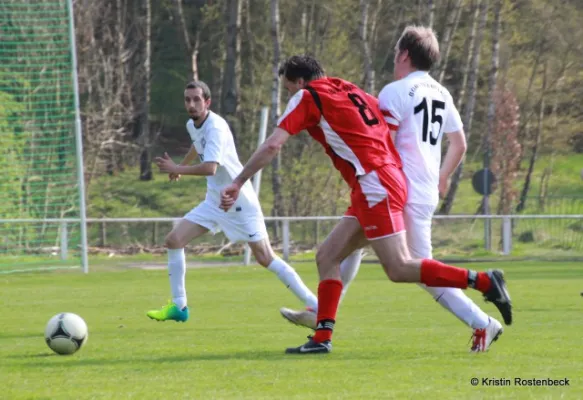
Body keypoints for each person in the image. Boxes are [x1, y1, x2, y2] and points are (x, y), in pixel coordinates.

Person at [219, 55, 512, 355]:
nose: (289, 96)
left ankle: (484, 281)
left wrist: (238, 181)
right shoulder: (351, 89)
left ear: (300, 82)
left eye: (289, 89)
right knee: (327, 256)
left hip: (375, 183)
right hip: (378, 180)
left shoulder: (308, 95)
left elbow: (272, 145)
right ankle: (322, 337)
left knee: (399, 267)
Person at [146, 80, 317, 322]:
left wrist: (176, 167)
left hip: (237, 201)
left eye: (197, 100)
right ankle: (179, 307)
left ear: (208, 102)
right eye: (187, 100)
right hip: (215, 201)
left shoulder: (216, 126)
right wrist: (181, 167)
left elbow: (210, 168)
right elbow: (197, 145)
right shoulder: (192, 124)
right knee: (174, 240)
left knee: (266, 257)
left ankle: (315, 304)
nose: (192, 104)